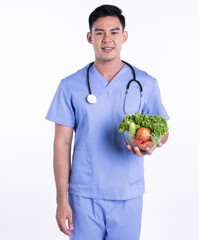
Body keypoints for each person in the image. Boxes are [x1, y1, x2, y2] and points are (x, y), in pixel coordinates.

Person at [46, 4, 169, 240]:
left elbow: (162, 130)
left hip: (128, 194)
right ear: (89, 37)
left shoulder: (146, 83)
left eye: (114, 32)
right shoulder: (70, 85)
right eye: (99, 32)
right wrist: (62, 201)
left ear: (124, 36)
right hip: (83, 196)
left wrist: (153, 143)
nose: (107, 39)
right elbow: (61, 144)